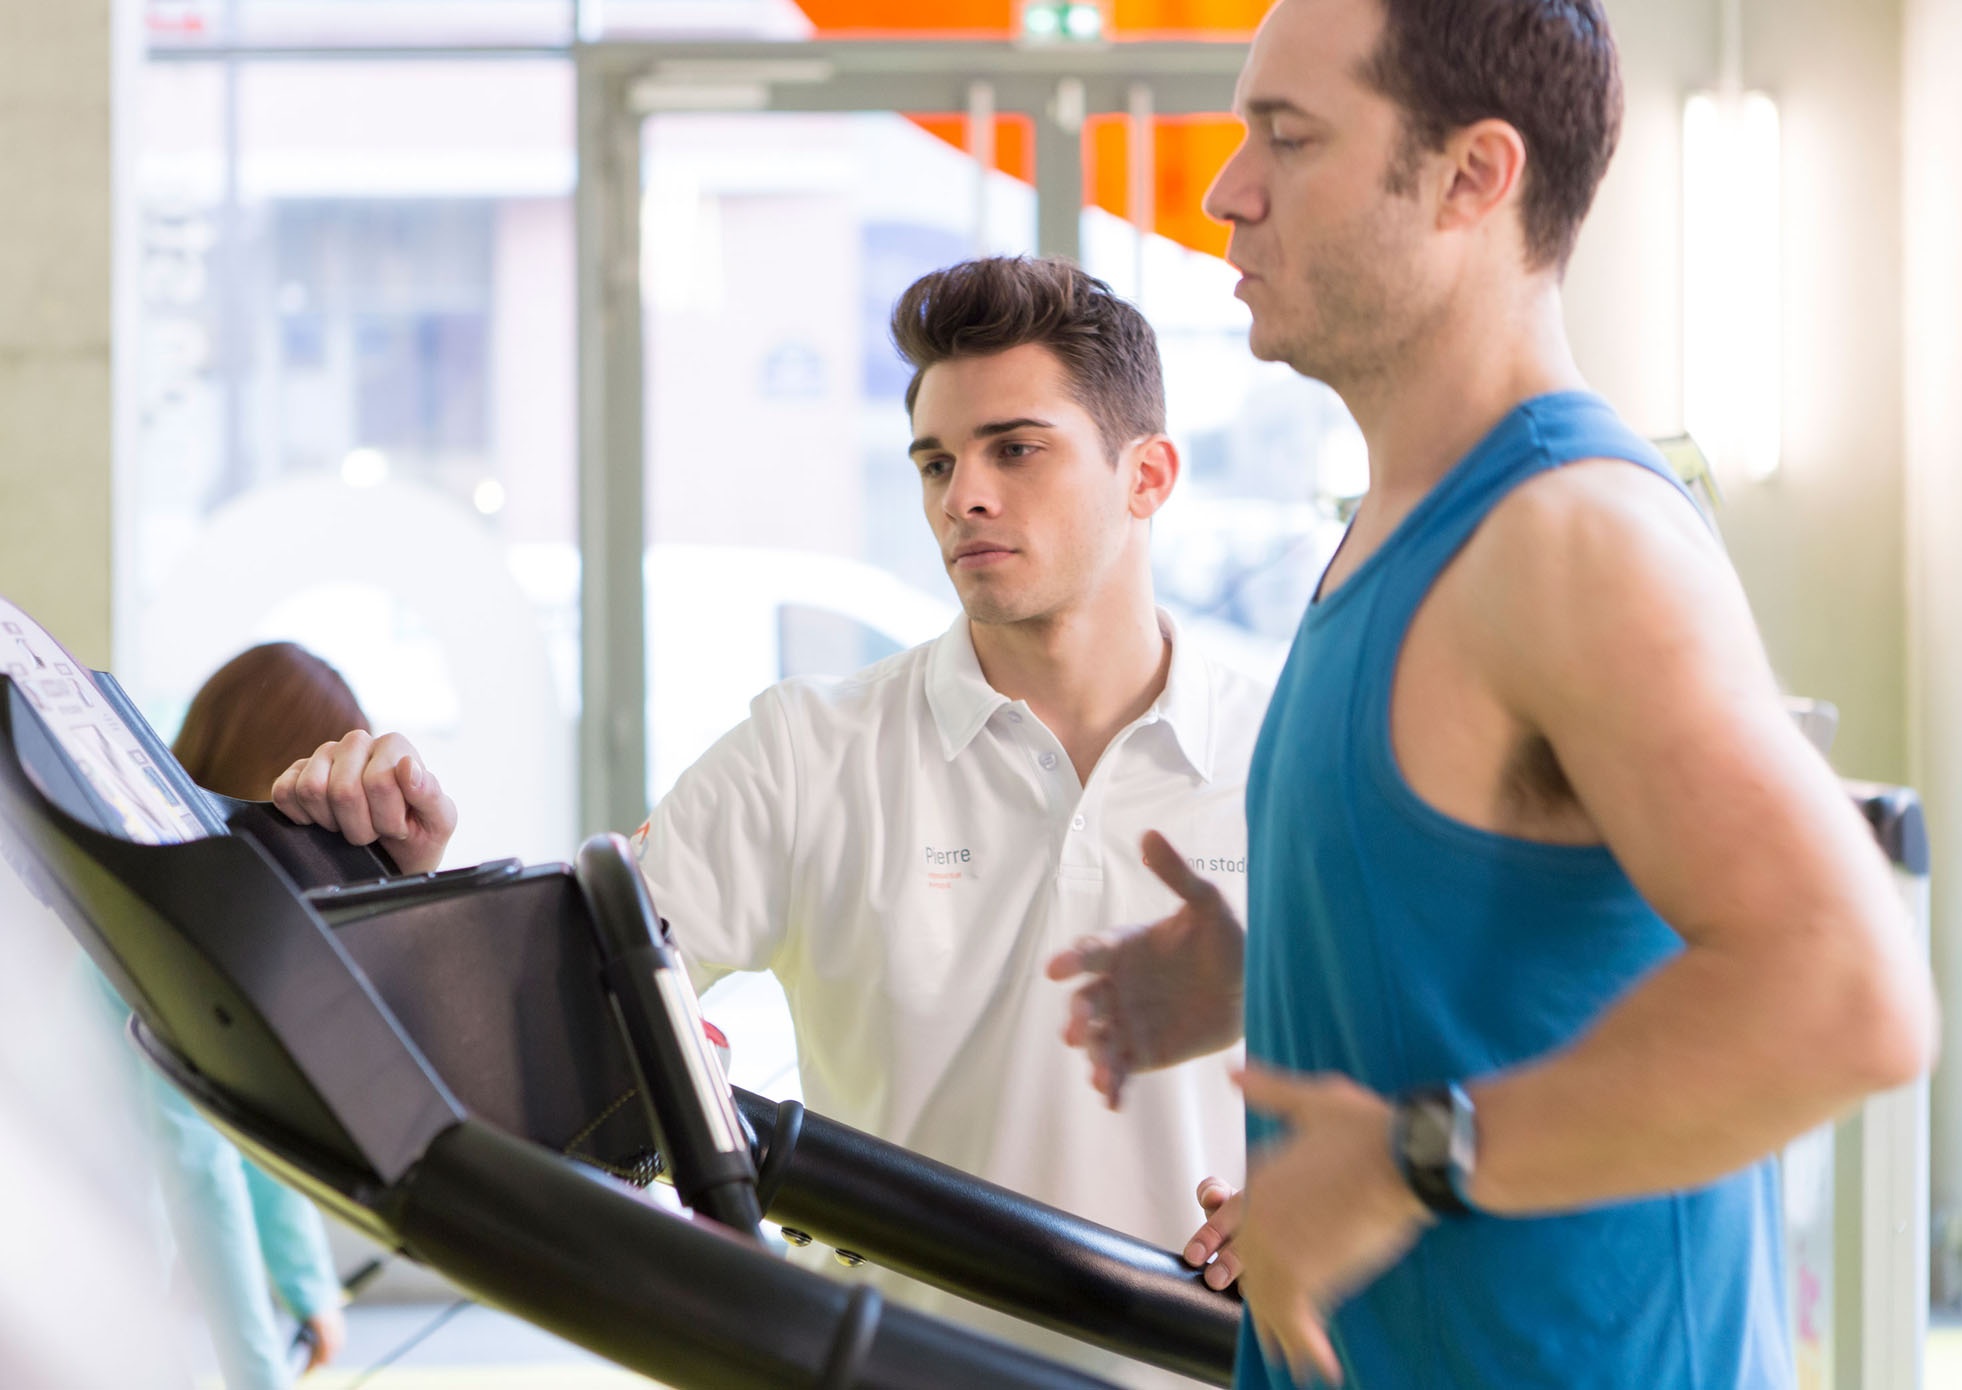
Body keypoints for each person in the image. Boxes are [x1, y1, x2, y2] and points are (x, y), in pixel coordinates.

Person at [1049, 2, 1939, 1387]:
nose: (1229, 189)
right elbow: (1519, 949)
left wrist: (1417, 1158)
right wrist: (1279, 967)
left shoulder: (1573, 537)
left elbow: (1850, 996)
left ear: (1474, 176)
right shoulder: (1395, 531)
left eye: (1288, 136)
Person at [271, 256, 1270, 1387]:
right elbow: (549, 1007)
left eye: (1014, 448)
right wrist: (409, 878)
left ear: (1148, 475)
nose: (962, 496)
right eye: (935, 461)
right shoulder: (811, 751)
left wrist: (1332, 1189)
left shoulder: (1285, 759)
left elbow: (1437, 1075)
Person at [104, 643, 363, 1387]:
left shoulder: (197, 890)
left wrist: (309, 1286)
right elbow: (200, 1164)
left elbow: (248, 1117)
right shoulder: (169, 909)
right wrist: (260, 1377)